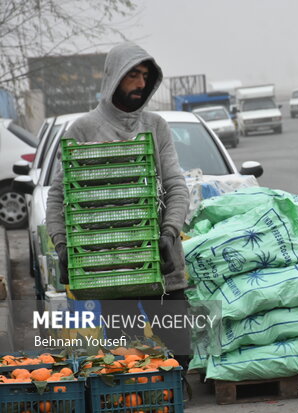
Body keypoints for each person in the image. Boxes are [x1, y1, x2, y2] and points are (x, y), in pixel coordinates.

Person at [45, 42, 191, 364]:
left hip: (162, 267)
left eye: (145, 76)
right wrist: (62, 246)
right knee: (126, 358)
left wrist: (169, 234)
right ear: (114, 77)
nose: (141, 84)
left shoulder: (156, 127)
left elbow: (176, 186)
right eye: (133, 75)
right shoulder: (83, 130)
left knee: (180, 350)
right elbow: (58, 196)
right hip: (111, 271)